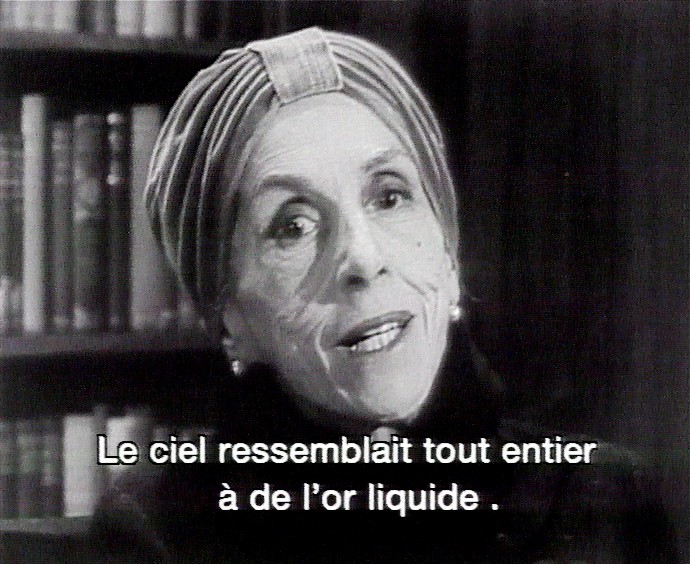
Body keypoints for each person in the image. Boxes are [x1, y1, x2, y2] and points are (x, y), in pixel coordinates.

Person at [90, 27, 676, 563]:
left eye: (390, 197)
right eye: (293, 226)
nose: (364, 260)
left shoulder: (603, 501)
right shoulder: (157, 529)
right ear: (230, 317)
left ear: (447, 254)